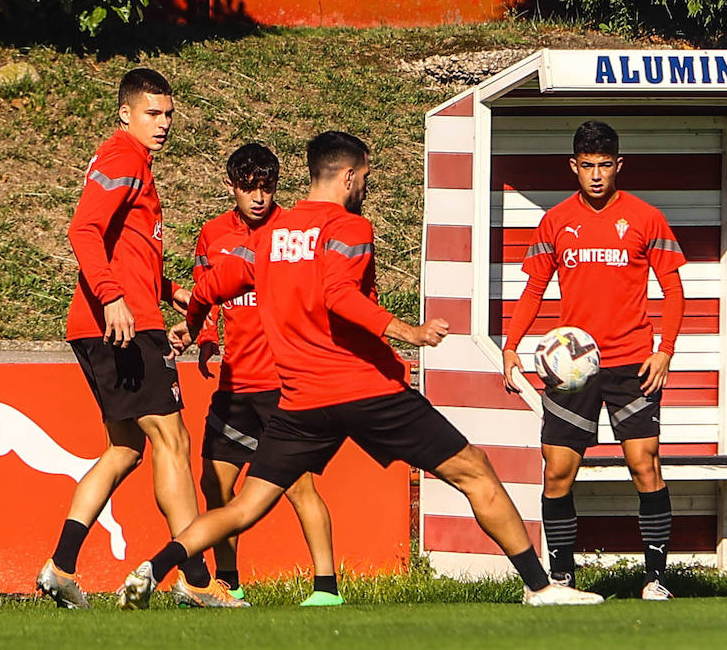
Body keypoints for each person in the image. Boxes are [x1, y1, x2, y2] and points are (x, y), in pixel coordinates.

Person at [118, 131, 604, 610]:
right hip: (366, 391)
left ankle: (154, 568)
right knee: (474, 470)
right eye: (365, 177)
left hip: (301, 401)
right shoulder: (350, 227)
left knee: (244, 507)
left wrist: (194, 326)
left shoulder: (270, 238)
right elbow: (339, 295)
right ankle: (541, 588)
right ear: (348, 176)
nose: (366, 187)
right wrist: (407, 333)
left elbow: (209, 286)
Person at [35, 68, 244, 610]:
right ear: (125, 114)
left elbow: (124, 247)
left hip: (113, 318)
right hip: (120, 325)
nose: (164, 123)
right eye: (153, 113)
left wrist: (169, 289)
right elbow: (83, 229)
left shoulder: (131, 161)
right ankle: (196, 581)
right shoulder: (123, 156)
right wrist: (112, 297)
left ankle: (61, 567)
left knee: (125, 448)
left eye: (169, 114)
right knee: (172, 443)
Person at [500, 120, 686, 601]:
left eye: (605, 166)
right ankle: (561, 579)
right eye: (588, 167)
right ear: (573, 167)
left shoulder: (646, 218)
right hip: (572, 367)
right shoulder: (555, 221)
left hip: (633, 363)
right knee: (556, 470)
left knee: (645, 466)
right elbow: (534, 288)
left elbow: (674, 289)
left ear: (619, 165)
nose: (597, 176)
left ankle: (657, 580)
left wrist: (665, 350)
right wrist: (511, 345)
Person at [192, 143, 341, 606]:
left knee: (298, 486)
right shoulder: (212, 235)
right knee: (216, 484)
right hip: (235, 385)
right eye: (247, 188)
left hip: (284, 385)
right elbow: (205, 295)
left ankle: (326, 589)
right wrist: (204, 341)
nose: (258, 197)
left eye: (267, 187)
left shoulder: (294, 232)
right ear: (230, 187)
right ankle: (230, 584)